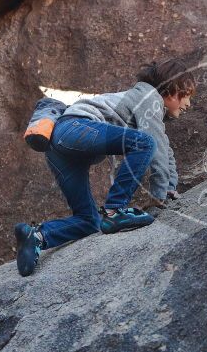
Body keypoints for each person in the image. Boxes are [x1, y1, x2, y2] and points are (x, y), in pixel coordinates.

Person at [14, 59, 195, 277]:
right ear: (174, 89)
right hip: (73, 128)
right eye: (188, 96)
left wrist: (169, 187)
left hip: (59, 148)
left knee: (89, 221)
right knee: (145, 143)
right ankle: (115, 210)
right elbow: (154, 145)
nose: (188, 104)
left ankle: (37, 237)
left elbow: (164, 147)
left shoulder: (148, 107)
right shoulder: (150, 98)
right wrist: (159, 196)